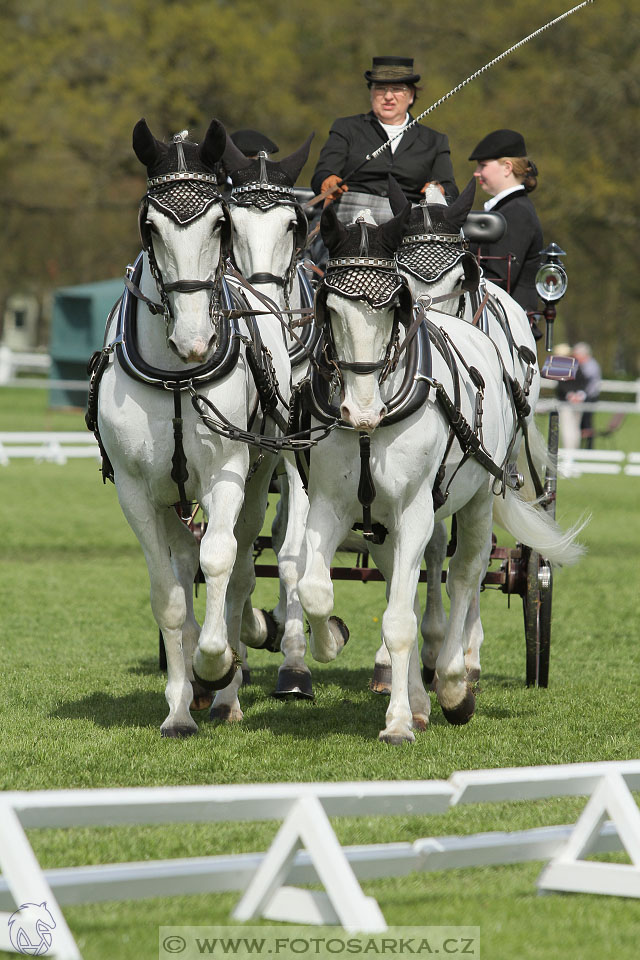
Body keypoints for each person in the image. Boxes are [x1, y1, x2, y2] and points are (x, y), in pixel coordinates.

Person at [311, 56, 459, 226]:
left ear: (411, 95)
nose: (388, 96)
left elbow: (450, 189)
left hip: (408, 221)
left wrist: (439, 190)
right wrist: (327, 179)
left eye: (397, 89)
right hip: (349, 218)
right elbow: (322, 173)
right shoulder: (346, 128)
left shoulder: (434, 140)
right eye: (381, 89)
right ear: (371, 93)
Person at [467, 129, 543, 317]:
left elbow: (498, 278)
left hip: (507, 325)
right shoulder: (506, 209)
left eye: (482, 165)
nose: (477, 173)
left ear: (507, 167)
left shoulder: (517, 213)